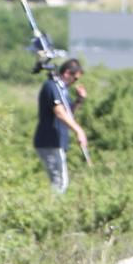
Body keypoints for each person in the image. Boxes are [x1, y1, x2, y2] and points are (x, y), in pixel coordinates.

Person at [33, 58, 87, 193]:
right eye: (75, 78)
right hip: (49, 141)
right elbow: (60, 113)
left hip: (57, 142)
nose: (75, 82)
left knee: (60, 182)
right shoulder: (52, 87)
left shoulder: (62, 90)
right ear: (67, 73)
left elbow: (68, 114)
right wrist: (79, 131)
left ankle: (53, 209)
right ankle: (53, 211)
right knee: (60, 183)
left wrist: (79, 100)